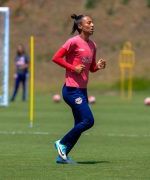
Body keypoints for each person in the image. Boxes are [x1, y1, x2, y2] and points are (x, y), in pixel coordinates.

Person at [52, 14, 106, 164]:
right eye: (89, 22)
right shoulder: (73, 42)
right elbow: (56, 58)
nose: (93, 24)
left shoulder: (93, 45)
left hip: (82, 90)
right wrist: (72, 68)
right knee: (88, 121)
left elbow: (91, 68)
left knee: (79, 124)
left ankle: (62, 156)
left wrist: (98, 67)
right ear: (80, 26)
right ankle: (61, 143)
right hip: (71, 90)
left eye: (93, 22)